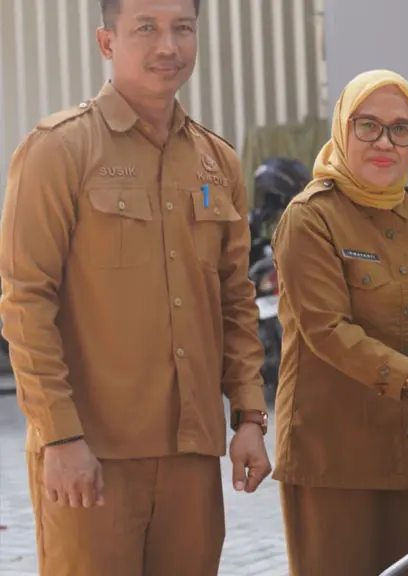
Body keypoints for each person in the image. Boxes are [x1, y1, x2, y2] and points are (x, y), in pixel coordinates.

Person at [0, 0, 272, 574]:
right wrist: (59, 437)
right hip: (92, 453)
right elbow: (26, 300)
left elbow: (235, 299)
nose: (167, 45)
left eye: (182, 28)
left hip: (192, 457)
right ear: (107, 42)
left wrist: (249, 417)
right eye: (145, 28)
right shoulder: (59, 149)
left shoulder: (216, 161)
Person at [270, 69, 408, 576]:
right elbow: (327, 331)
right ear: (342, 130)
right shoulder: (310, 218)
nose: (385, 142)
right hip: (334, 454)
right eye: (367, 125)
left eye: (401, 128)